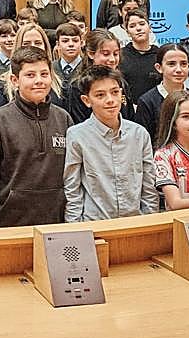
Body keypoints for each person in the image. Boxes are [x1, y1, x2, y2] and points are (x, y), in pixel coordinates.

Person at [0, 46, 71, 228]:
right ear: (15, 80)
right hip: (9, 228)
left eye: (44, 74)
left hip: (57, 227)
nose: (39, 81)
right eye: (30, 75)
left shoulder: (64, 119)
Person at [64, 65, 158, 221]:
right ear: (87, 100)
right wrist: (75, 226)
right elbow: (72, 188)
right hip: (95, 222)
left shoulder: (139, 134)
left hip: (135, 220)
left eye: (115, 92)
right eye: (100, 95)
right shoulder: (77, 135)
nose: (110, 100)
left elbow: (149, 184)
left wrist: (150, 219)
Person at [134, 42, 189, 141]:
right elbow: (143, 141)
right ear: (159, 68)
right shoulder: (147, 102)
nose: (179, 69)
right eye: (171, 64)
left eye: (183, 64)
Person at [63, 29, 123, 125]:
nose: (112, 59)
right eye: (106, 54)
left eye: (115, 54)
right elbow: (78, 123)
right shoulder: (77, 86)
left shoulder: (122, 83)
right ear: (91, 54)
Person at [119, 7, 160, 100]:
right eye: (132, 26)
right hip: (129, 110)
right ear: (127, 32)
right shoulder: (120, 55)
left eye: (142, 24)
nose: (138, 28)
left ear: (150, 28)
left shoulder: (160, 55)